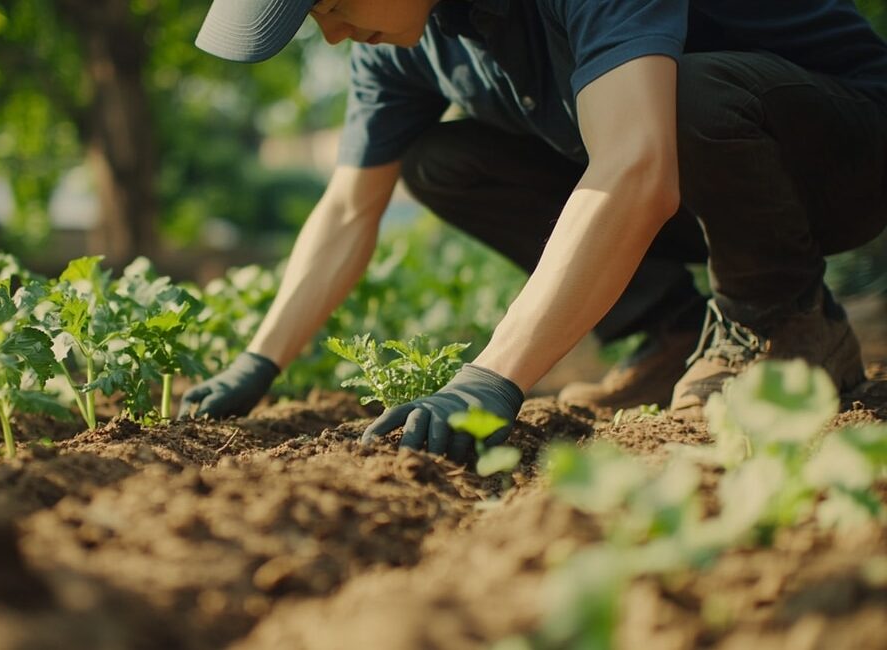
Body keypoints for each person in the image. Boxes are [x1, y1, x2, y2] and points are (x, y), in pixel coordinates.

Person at [180, 0, 887, 465]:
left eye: (329, 1)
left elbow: (638, 167)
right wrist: (259, 361)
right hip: (693, 186)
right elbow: (348, 209)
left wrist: (490, 377)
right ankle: (672, 331)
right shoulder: (404, 40)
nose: (329, 31)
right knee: (441, 162)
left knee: (680, 94)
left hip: (844, 154)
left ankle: (782, 320)